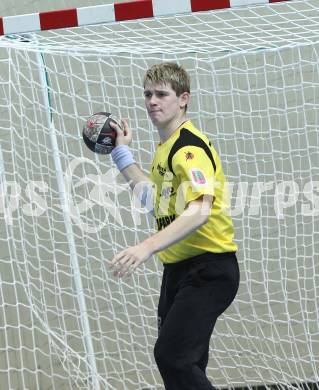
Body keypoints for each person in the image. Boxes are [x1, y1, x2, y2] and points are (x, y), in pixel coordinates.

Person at [109, 62, 239, 390]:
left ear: (183, 99)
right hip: (179, 272)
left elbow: (200, 211)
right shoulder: (165, 150)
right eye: (148, 94)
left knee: (173, 356)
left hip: (208, 269)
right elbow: (155, 201)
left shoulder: (188, 148)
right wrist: (122, 155)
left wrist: (145, 246)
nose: (152, 101)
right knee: (183, 367)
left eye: (161, 94)